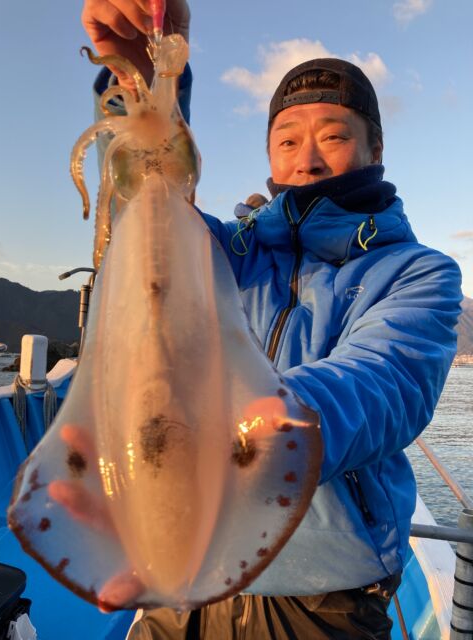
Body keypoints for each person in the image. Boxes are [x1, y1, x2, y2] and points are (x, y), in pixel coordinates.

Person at [80, 1, 463, 637]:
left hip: (317, 595)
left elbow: (382, 384)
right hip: (186, 569)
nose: (306, 159)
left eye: (333, 136)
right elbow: (147, 215)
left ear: (376, 148)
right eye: (287, 141)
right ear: (269, 155)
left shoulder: (417, 272)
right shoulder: (226, 251)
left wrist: (251, 431)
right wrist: (145, 87)